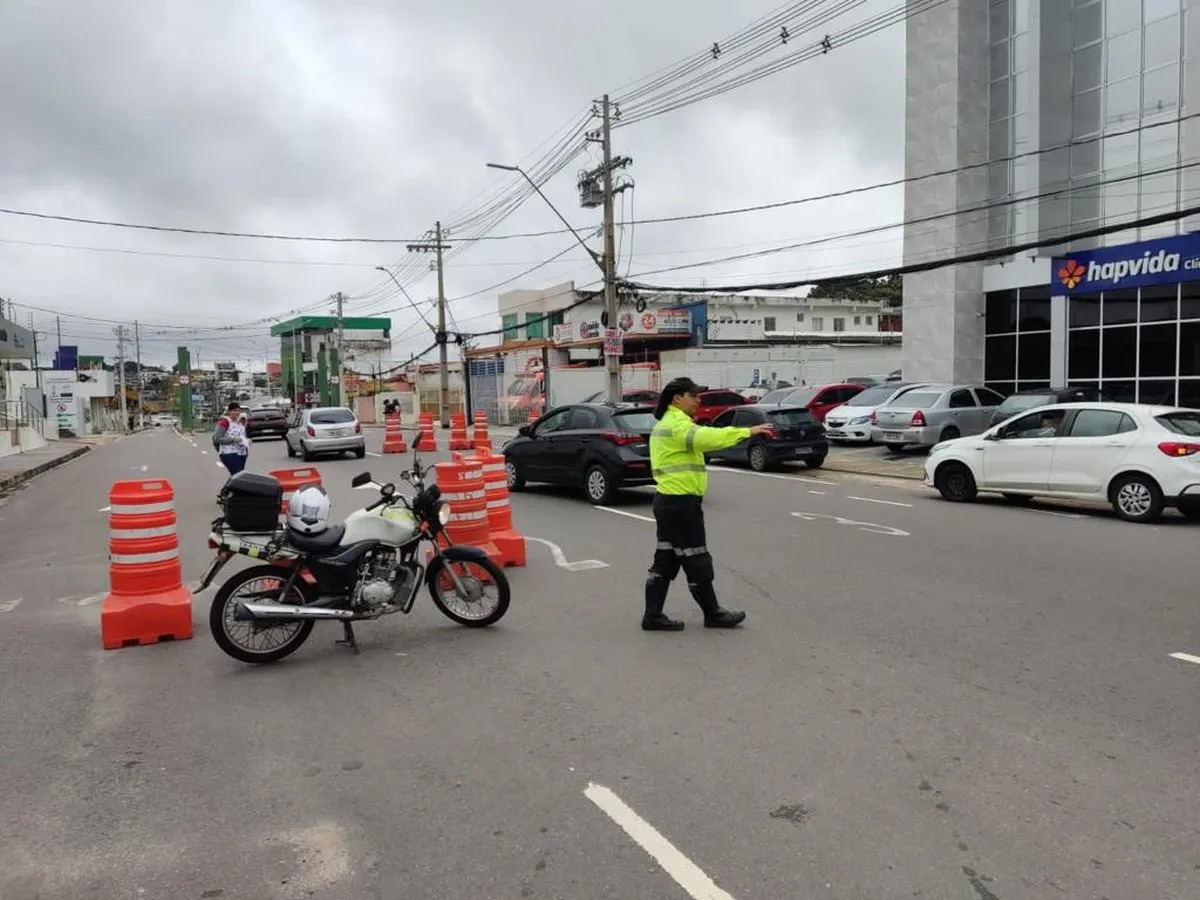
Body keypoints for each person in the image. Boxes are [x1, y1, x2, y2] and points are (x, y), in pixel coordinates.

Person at [643, 376, 775, 632]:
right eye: (693, 395)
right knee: (696, 558)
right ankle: (712, 613)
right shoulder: (677, 425)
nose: (698, 400)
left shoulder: (668, 423)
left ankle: (652, 615)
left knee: (667, 558)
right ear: (677, 398)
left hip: (668, 502)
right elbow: (708, 438)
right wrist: (747, 431)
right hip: (680, 504)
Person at [213, 402, 250, 476]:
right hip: (229, 453)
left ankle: (233, 487)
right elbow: (217, 438)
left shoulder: (240, 422)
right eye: (235, 410)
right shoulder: (224, 422)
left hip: (241, 452)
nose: (237, 412)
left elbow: (242, 435)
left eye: (238, 410)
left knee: (239, 476)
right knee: (238, 475)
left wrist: (247, 441)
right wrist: (233, 439)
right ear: (229, 412)